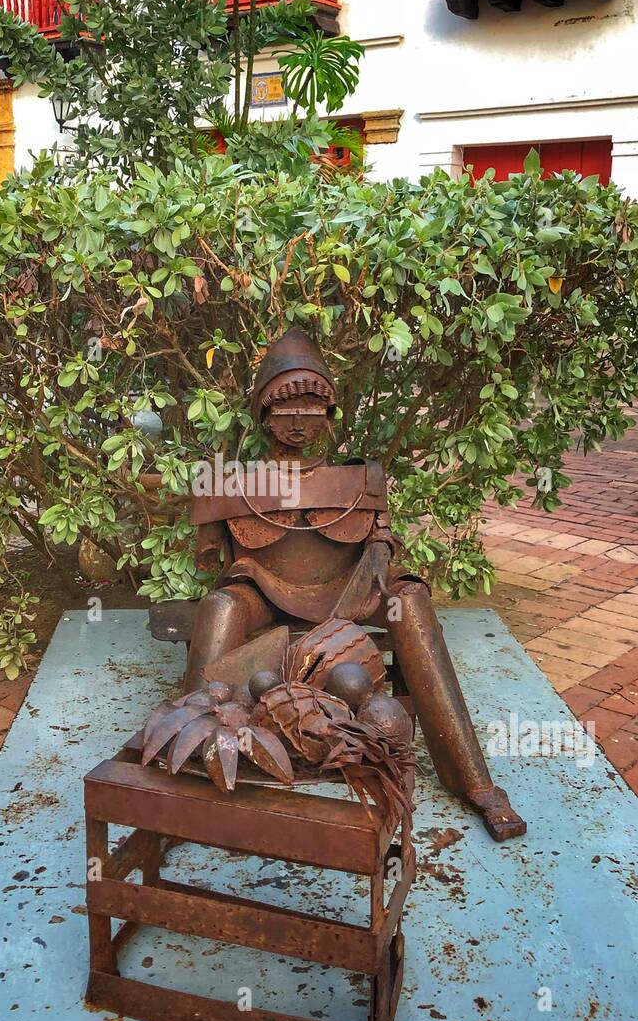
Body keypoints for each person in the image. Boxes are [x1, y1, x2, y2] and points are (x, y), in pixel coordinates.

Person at [184, 328, 525, 841]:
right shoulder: (230, 482)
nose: (298, 422)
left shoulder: (362, 476)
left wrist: (380, 556)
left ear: (328, 414)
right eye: (285, 409)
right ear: (263, 415)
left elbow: (383, 540)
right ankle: (189, 767)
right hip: (264, 590)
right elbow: (214, 559)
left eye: (311, 408)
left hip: (351, 590)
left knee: (410, 599)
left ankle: (476, 782)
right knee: (219, 606)